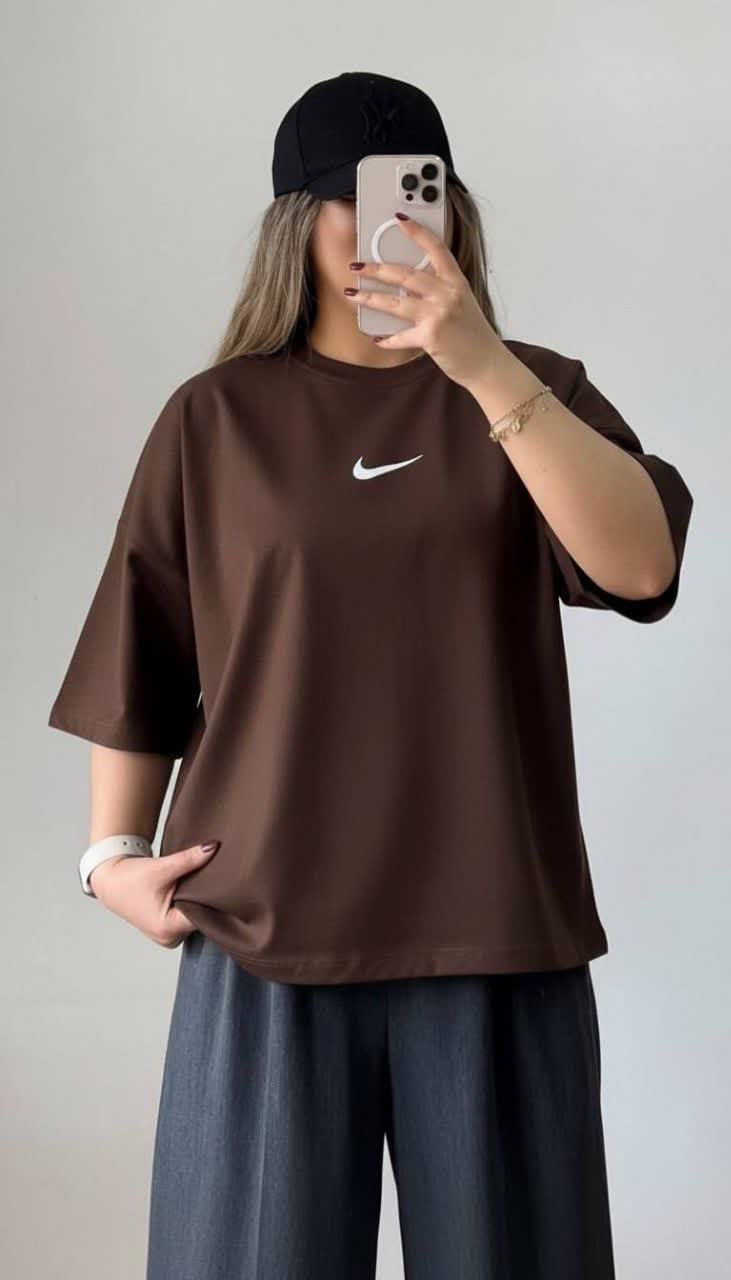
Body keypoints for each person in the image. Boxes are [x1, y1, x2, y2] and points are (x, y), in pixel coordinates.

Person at [48, 73, 693, 1279]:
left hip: (495, 931)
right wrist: (111, 858)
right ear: (297, 222)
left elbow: (642, 564)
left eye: (414, 196)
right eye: (352, 200)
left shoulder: (532, 390)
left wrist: (479, 366)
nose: (387, 225)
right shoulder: (215, 419)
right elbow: (144, 640)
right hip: (264, 933)